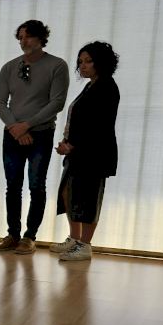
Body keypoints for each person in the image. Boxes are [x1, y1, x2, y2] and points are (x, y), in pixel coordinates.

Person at [0, 20, 70, 255]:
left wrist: (27, 125)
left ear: (41, 38)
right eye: (20, 38)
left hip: (41, 134)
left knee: (36, 185)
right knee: (13, 186)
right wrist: (15, 127)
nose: (23, 41)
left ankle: (29, 236)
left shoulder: (57, 65)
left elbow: (57, 102)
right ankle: (13, 234)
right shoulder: (9, 67)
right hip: (12, 134)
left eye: (28, 37)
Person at [52, 42, 120, 262]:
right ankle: (74, 239)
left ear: (102, 62)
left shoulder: (107, 87)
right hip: (77, 152)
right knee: (68, 193)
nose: (83, 65)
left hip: (94, 153)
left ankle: (85, 245)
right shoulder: (91, 85)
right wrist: (67, 141)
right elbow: (79, 120)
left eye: (89, 61)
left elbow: (99, 126)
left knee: (89, 198)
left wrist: (72, 145)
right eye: (80, 61)